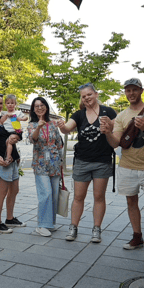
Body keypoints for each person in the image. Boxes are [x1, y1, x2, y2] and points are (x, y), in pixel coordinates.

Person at [102, 77, 144, 263]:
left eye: (134, 90)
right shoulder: (122, 116)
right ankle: (137, 236)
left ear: (141, 90)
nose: (131, 93)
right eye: (128, 90)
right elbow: (116, 143)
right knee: (131, 202)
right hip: (127, 166)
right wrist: (108, 132)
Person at [57, 83, 116, 243]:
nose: (87, 98)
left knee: (99, 197)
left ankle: (96, 229)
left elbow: (116, 131)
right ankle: (73, 227)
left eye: (89, 94)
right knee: (78, 197)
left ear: (96, 94)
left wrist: (110, 127)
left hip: (102, 161)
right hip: (82, 161)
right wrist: (62, 127)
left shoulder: (108, 112)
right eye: (84, 96)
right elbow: (67, 128)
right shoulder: (79, 115)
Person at [0, 91, 25, 234]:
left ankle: (10, 218)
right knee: (2, 192)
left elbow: (19, 131)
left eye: (1, 103)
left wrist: (17, 138)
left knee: (14, 190)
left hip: (12, 159)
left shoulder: (4, 118)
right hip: (1, 161)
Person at [27, 97, 63, 237]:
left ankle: (50, 223)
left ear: (46, 107)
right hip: (40, 164)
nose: (39, 108)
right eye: (36, 106)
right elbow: (33, 139)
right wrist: (39, 127)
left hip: (54, 163)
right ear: (33, 109)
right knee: (45, 193)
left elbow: (59, 144)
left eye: (42, 105)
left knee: (54, 194)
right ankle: (41, 225)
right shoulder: (32, 125)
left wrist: (61, 163)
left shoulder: (53, 124)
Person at [0, 94, 28, 162]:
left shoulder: (18, 112)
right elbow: (1, 121)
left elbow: (26, 117)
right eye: (8, 103)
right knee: (7, 142)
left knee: (10, 140)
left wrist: (20, 119)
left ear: (15, 104)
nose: (10, 105)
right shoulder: (4, 113)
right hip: (7, 133)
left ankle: (8, 157)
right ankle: (15, 157)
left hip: (16, 132)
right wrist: (6, 115)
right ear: (5, 104)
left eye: (12, 103)